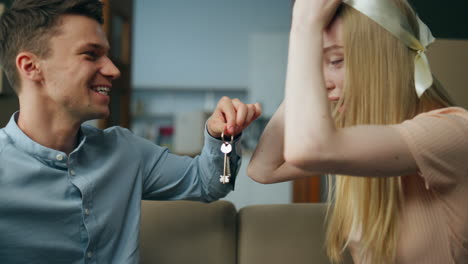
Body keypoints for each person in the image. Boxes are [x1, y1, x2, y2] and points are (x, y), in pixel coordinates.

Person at [0, 0, 261, 263]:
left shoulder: (125, 150)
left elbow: (214, 184)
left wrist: (222, 137)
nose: (113, 70)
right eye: (90, 54)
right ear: (30, 67)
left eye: (107, 56)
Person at [247, 0, 468, 263]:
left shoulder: (451, 132)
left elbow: (309, 149)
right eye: (316, 65)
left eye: (336, 60)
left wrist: (305, 25)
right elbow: (262, 168)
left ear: (382, 58)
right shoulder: (360, 134)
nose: (319, 83)